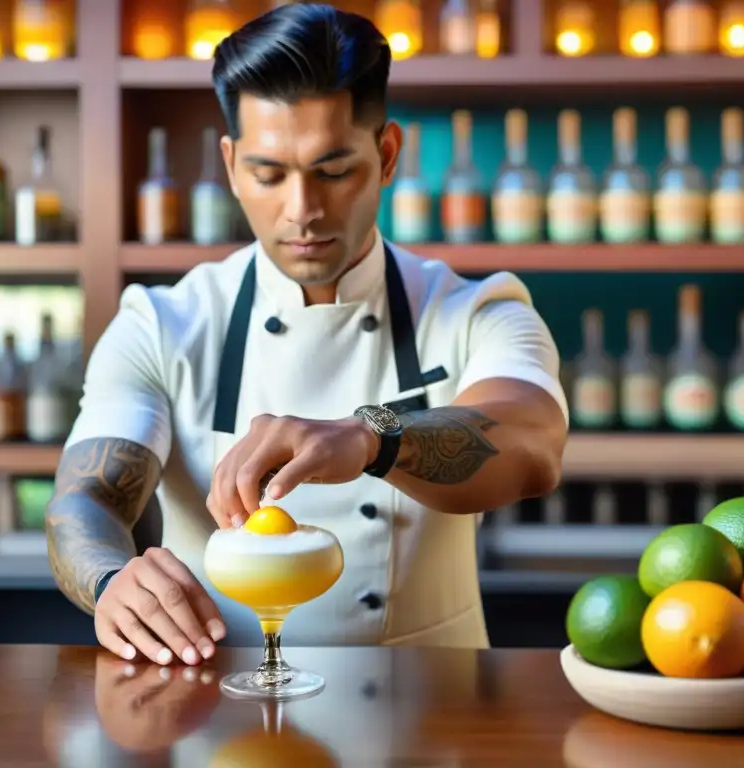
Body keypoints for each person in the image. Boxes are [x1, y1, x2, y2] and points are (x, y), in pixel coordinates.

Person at [45, 2, 568, 667]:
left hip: (437, 717)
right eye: (269, 175)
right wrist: (112, 582)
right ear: (232, 167)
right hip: (210, 717)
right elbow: (82, 501)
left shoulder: (476, 310)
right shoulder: (161, 322)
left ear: (385, 156)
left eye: (332, 171)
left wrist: (368, 438)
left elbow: (533, 444)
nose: (302, 210)